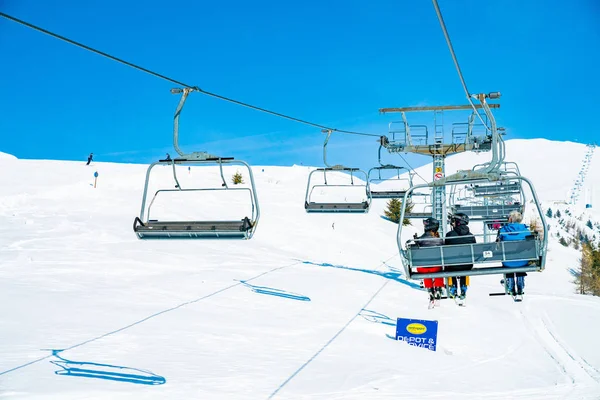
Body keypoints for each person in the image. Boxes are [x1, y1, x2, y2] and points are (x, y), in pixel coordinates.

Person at [497, 210, 531, 295]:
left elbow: (497, 246)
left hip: (507, 262)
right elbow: (530, 246)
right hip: (523, 261)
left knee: (508, 259)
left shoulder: (503, 230)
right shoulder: (526, 231)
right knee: (520, 258)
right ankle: (520, 284)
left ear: (511, 219)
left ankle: (511, 285)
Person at [445, 213, 477, 299]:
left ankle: (453, 287)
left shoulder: (449, 235)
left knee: (450, 264)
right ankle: (463, 287)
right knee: (465, 262)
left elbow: (445, 250)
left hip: (452, 266)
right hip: (467, 265)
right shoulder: (471, 236)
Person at [414, 217, 445, 301]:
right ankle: (438, 288)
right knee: (438, 270)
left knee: (425, 269)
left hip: (422, 268)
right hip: (435, 267)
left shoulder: (420, 239)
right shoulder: (439, 240)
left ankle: (430, 290)